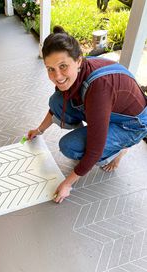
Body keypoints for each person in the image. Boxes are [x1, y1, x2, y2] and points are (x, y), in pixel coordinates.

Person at [27, 26, 147, 204]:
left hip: (131, 125)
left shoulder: (99, 89)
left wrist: (67, 184)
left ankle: (120, 149)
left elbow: (94, 150)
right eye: (50, 69)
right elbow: (57, 106)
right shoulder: (75, 74)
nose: (57, 76)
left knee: (69, 146)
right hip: (108, 110)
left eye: (63, 66)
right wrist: (39, 130)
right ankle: (100, 130)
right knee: (57, 100)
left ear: (78, 61)